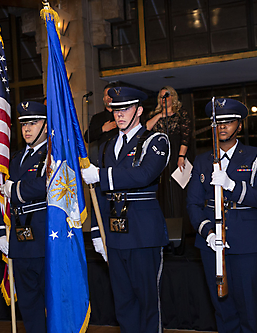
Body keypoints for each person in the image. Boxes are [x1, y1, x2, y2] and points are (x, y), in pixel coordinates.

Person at [81, 87, 170, 333]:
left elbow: (144, 175)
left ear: (139, 111)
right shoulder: (107, 147)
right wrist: (98, 232)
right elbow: (99, 193)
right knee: (124, 304)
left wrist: (102, 174)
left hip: (143, 233)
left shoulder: (155, 141)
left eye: (126, 109)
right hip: (115, 235)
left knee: (148, 303)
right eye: (116, 109)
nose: (120, 115)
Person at [187, 98, 257, 333]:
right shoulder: (202, 160)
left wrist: (232, 185)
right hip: (212, 245)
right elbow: (193, 203)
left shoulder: (256, 156)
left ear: (239, 126)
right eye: (217, 122)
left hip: (248, 243)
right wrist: (207, 232)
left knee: (249, 308)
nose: (222, 127)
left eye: (228, 122)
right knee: (223, 309)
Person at [0, 101, 48, 333]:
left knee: (52, 301)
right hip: (19, 237)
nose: (27, 129)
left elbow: (47, 184)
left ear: (46, 126)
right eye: (24, 123)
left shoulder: (53, 155)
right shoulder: (13, 159)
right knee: (28, 303)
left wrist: (16, 189)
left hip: (46, 236)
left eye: (33, 123)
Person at [146, 86, 190, 219]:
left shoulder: (181, 114)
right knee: (162, 188)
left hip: (176, 151)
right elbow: (146, 129)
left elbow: (186, 136)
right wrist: (160, 115)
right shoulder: (154, 115)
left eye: (166, 95)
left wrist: (181, 156)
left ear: (173, 97)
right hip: (159, 154)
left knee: (177, 188)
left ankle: (181, 224)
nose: (163, 98)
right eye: (161, 96)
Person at [84, 83, 119, 150]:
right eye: (106, 95)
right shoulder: (97, 117)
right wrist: (102, 129)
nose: (109, 97)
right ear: (103, 98)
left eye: (111, 95)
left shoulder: (122, 115)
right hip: (103, 156)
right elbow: (87, 138)